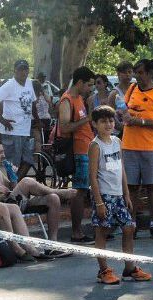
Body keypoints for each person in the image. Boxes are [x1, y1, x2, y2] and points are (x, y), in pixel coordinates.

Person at [0, 139, 74, 251]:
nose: (4, 155)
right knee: (26, 182)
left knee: (53, 198)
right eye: (0, 152)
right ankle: (59, 191)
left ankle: (53, 244)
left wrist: (12, 176)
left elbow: (13, 189)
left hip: (14, 204)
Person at [88, 105, 152, 284]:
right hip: (104, 196)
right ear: (95, 124)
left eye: (110, 121)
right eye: (103, 121)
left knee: (128, 228)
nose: (108, 124)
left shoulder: (117, 141)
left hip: (119, 196)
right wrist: (99, 202)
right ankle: (104, 270)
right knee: (102, 231)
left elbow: (121, 169)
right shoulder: (95, 145)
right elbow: (92, 176)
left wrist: (127, 194)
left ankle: (130, 268)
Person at [120, 59, 153, 240]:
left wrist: (141, 122)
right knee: (132, 187)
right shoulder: (132, 89)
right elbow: (125, 111)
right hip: (129, 145)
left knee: (152, 186)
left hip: (151, 146)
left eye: (141, 72)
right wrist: (124, 116)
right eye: (136, 72)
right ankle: (132, 223)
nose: (137, 75)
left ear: (151, 73)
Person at [58, 66, 96, 244]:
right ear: (79, 82)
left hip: (86, 148)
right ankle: (77, 232)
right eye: (89, 85)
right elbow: (65, 127)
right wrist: (87, 119)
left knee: (84, 190)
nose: (91, 89)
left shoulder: (80, 98)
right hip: (78, 151)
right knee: (79, 192)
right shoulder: (66, 100)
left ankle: (85, 229)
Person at [0, 59, 41, 179]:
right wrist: (1, 120)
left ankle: (16, 186)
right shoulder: (10, 85)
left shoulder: (29, 83)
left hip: (25, 130)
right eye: (20, 69)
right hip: (12, 131)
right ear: (15, 71)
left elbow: (32, 103)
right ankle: (14, 190)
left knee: (28, 160)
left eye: (25, 69)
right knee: (14, 165)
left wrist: (37, 119)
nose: (23, 72)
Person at [108, 61, 134, 135]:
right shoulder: (114, 93)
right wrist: (121, 127)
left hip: (134, 130)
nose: (127, 75)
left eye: (130, 72)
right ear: (118, 74)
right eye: (124, 72)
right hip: (119, 133)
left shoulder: (135, 90)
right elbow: (110, 114)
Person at [34, 72, 53, 143]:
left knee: (46, 137)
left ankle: (45, 149)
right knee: (38, 139)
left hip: (46, 117)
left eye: (44, 77)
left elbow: (49, 100)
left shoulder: (46, 86)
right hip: (37, 118)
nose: (43, 79)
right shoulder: (33, 91)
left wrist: (43, 91)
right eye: (42, 77)